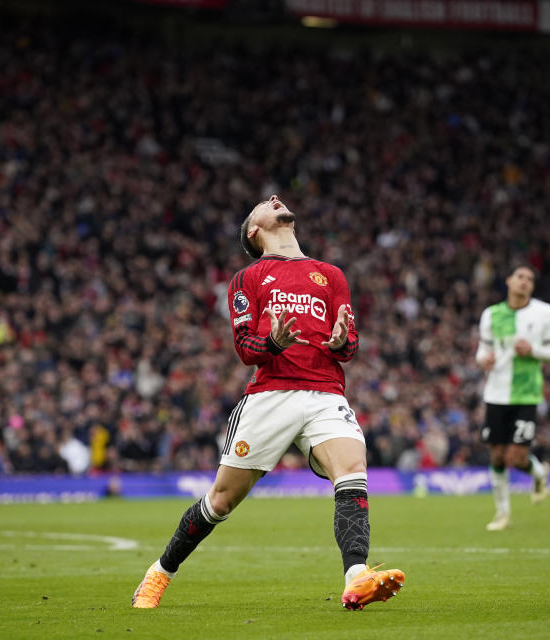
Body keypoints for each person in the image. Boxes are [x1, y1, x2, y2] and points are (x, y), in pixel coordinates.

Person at [132, 195, 404, 610]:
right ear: (254, 231)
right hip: (270, 395)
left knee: (352, 471)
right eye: (264, 204)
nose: (275, 199)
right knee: (220, 501)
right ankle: (159, 574)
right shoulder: (248, 278)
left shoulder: (330, 275)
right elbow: (246, 348)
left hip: (325, 391)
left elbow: (349, 344)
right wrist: (273, 342)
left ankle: (357, 578)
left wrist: (342, 340)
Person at [475, 265, 550, 531]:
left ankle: (538, 473)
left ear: (532, 287)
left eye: (530, 279)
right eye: (520, 277)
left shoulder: (545, 313)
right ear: (509, 280)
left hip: (526, 394)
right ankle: (502, 514)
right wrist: (483, 360)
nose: (524, 282)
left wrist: (532, 349)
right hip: (496, 393)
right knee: (498, 457)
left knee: (518, 458)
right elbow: (481, 352)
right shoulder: (491, 314)